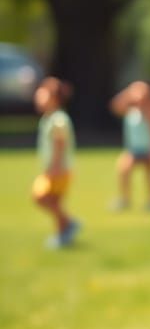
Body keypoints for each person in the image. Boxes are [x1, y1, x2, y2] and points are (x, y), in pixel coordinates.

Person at [31, 76, 80, 248]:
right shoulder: (49, 118)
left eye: (42, 94)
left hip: (59, 170)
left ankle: (68, 224)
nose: (37, 98)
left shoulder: (58, 119)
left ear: (53, 97)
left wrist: (55, 167)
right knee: (54, 202)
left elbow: (60, 144)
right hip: (53, 169)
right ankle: (62, 234)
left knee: (42, 196)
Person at [109, 80, 150, 211]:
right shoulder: (130, 109)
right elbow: (115, 106)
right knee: (123, 170)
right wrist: (127, 93)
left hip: (147, 148)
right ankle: (125, 199)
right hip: (132, 149)